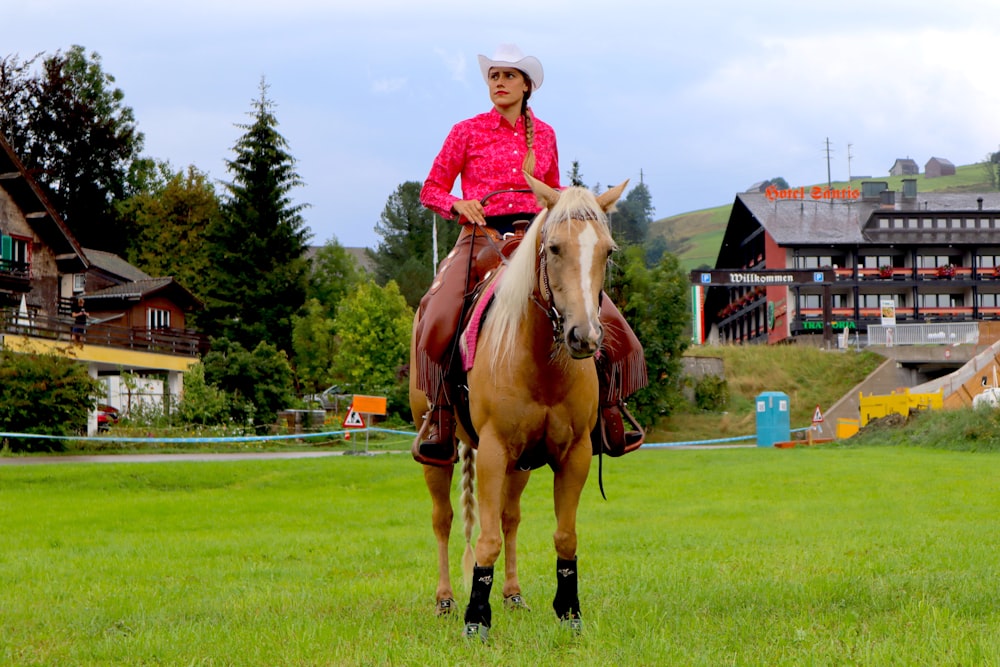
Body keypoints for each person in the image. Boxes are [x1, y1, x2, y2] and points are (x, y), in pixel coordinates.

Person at [413, 44, 646, 467]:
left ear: (526, 86)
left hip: (540, 240)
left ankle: (608, 413)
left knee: (609, 321)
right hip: (480, 239)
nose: (499, 83)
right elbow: (430, 188)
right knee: (438, 315)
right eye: (493, 76)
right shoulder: (465, 131)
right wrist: (457, 205)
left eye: (508, 76)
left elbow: (555, 198)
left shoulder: (547, 134)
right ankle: (441, 416)